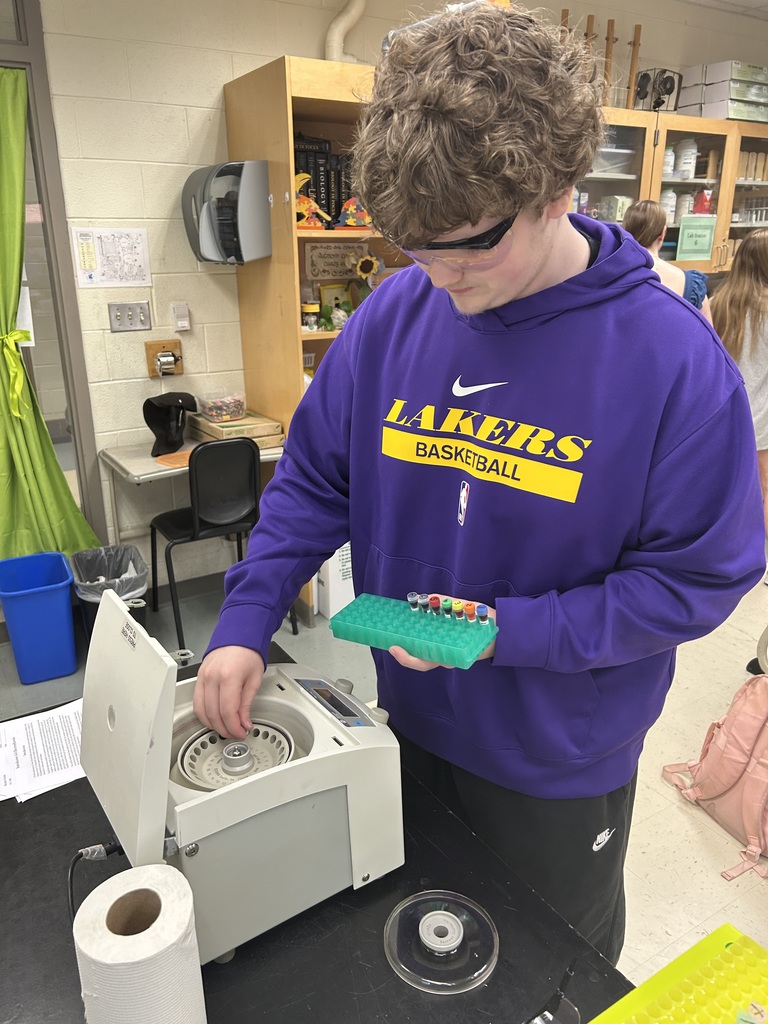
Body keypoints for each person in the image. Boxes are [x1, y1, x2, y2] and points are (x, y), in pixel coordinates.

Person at [194, 2, 764, 965]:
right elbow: (311, 481)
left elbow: (696, 582)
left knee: (546, 970)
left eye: (470, 244)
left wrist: (507, 631)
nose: (442, 275)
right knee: (420, 956)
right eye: (417, 246)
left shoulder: (671, 362)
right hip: (404, 721)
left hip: (556, 759)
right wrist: (244, 622)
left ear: (558, 188)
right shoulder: (396, 313)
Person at [711, 228, 768, 634]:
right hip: (764, 422)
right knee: (763, 495)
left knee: (723, 491)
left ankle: (722, 553)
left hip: (724, 418)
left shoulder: (718, 303)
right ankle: (756, 559)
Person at [622, 199, 713, 323]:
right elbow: (708, 339)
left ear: (624, 230)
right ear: (662, 233)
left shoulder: (609, 275)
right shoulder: (692, 285)